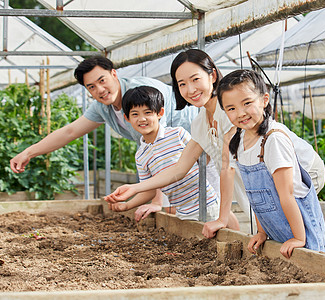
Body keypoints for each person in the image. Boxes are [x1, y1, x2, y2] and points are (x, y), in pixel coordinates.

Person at [9, 56, 197, 210]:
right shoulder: (102, 107)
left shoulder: (142, 94)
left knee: (204, 205)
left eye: (102, 80)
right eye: (91, 87)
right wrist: (28, 152)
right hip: (177, 168)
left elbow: (162, 148)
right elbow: (70, 131)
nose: (100, 90)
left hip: (196, 143)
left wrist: (157, 202)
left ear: (113, 74)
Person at [104, 49, 244, 231]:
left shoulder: (229, 111)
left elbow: (226, 167)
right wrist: (134, 188)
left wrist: (222, 217)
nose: (190, 89)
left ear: (213, 75)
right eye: (182, 84)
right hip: (239, 195)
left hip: (255, 188)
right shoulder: (200, 122)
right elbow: (179, 168)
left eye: (195, 79)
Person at [217, 69, 325, 258]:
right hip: (279, 236)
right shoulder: (240, 141)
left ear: (264, 100)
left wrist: (299, 238)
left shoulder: (273, 139)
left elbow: (287, 195)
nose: (241, 113)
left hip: (303, 234)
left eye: (247, 103)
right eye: (231, 108)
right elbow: (257, 198)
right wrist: (262, 232)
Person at [104, 86, 219, 221]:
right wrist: (127, 205)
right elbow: (149, 190)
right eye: (135, 114)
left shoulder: (177, 134)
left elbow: (204, 161)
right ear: (127, 118)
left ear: (160, 113)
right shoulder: (141, 155)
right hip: (182, 212)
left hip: (206, 205)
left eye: (147, 112)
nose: (142, 119)